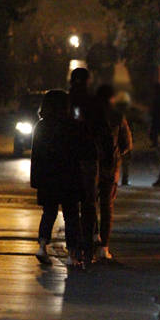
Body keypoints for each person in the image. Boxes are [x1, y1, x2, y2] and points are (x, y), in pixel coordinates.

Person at [30, 90, 82, 266]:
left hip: (48, 177)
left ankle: (42, 246)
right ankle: (72, 254)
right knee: (71, 216)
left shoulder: (41, 126)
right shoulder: (73, 126)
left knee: (49, 212)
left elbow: (36, 155)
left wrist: (36, 180)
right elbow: (78, 155)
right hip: (68, 177)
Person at [93, 84, 132, 260]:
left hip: (91, 166)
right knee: (107, 206)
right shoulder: (118, 116)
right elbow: (127, 144)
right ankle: (104, 246)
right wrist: (116, 154)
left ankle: (92, 237)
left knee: (89, 203)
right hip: (110, 167)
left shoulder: (90, 115)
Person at [68, 68, 99, 263]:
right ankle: (87, 246)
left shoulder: (66, 101)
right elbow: (100, 128)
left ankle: (73, 247)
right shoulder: (92, 101)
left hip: (69, 157)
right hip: (87, 156)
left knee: (71, 204)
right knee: (88, 203)